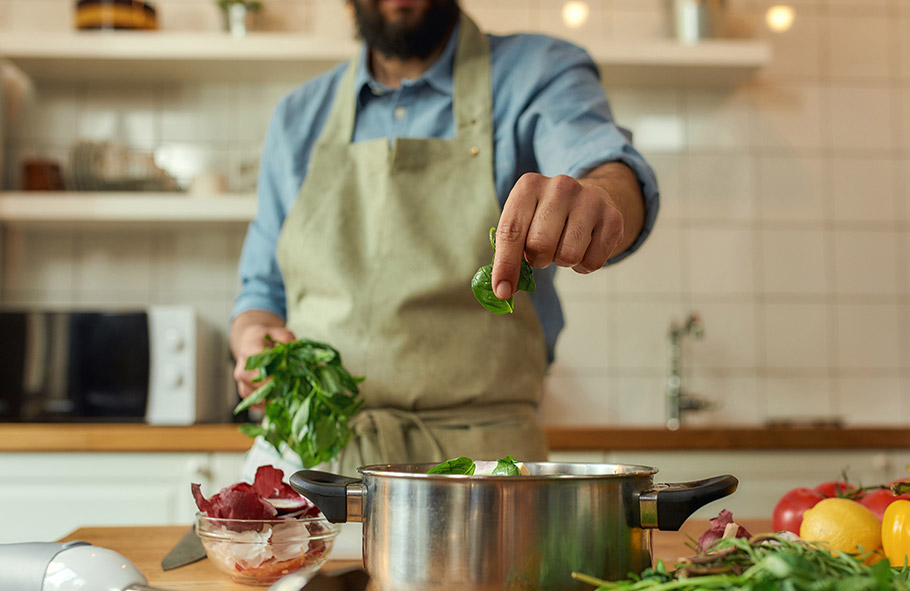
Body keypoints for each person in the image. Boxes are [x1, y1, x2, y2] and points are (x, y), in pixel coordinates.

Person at [230, 0, 659, 476]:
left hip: (484, 471)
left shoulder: (538, 72)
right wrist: (253, 337)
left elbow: (607, 167)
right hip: (310, 462)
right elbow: (261, 293)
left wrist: (600, 194)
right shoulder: (297, 116)